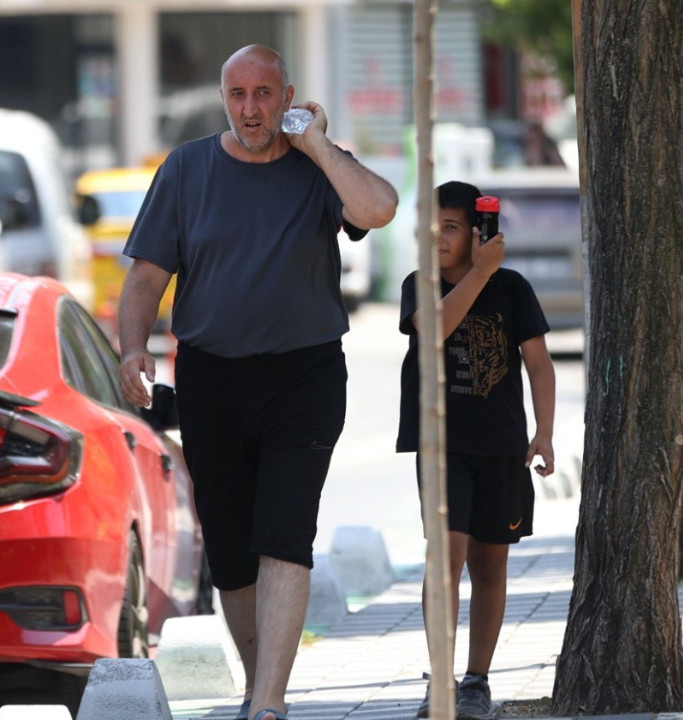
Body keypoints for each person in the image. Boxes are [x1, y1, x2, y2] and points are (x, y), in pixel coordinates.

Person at [117, 45, 398, 720]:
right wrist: (131, 350)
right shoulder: (186, 169)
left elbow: (380, 208)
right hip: (211, 377)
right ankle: (257, 686)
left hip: (305, 374)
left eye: (265, 94)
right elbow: (146, 277)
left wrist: (323, 147)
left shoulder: (314, 168)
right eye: (238, 95)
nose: (251, 109)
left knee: (285, 532)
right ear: (224, 98)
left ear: (288, 96)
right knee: (233, 551)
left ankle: (269, 703)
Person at [396, 181, 556, 720]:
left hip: (502, 446)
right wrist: (480, 272)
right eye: (432, 226)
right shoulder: (418, 285)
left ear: (477, 231)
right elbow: (435, 328)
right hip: (441, 446)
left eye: (451, 227)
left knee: (490, 564)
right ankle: (439, 676)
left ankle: (476, 681)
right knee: (447, 558)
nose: (438, 237)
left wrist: (545, 431)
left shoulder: (513, 289)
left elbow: (539, 364)